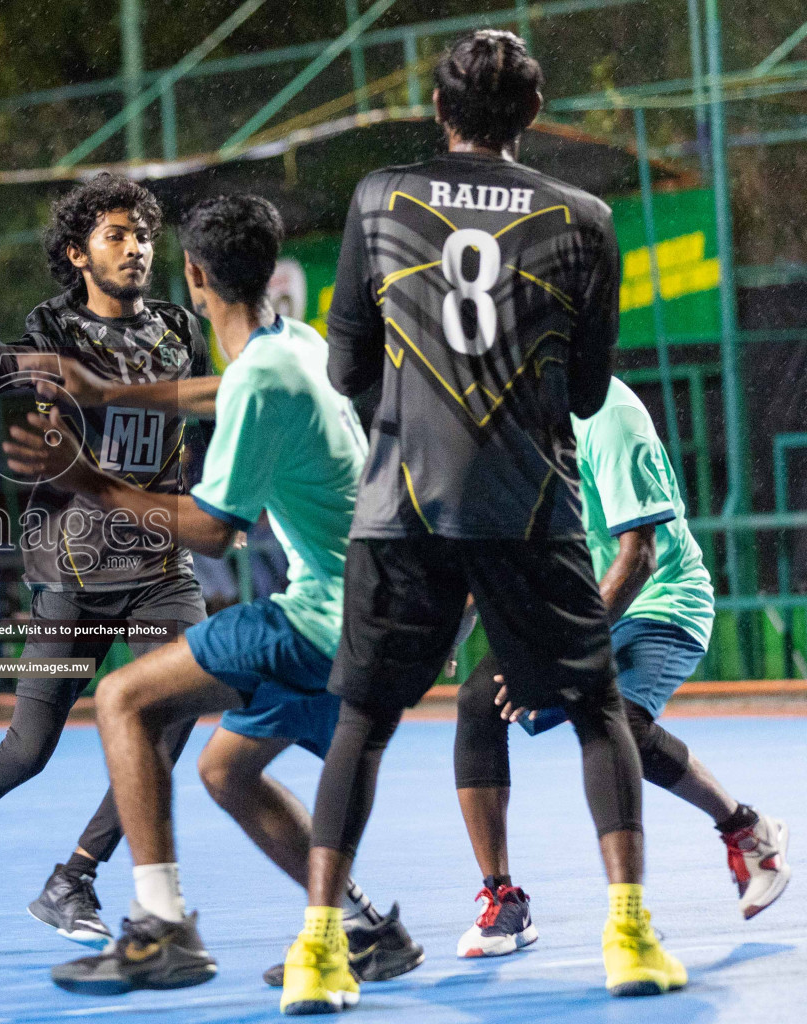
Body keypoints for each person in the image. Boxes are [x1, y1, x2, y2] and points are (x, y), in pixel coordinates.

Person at [283, 29, 686, 1014]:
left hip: (403, 506)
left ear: (437, 106)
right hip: (529, 507)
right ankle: (630, 934)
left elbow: (345, 369)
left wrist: (420, 412)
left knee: (364, 725)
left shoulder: (379, 197)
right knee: (596, 712)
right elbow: (588, 393)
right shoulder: (585, 217)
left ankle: (318, 952)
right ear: (533, 117)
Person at [3, 194, 424, 996]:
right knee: (227, 769)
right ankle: (367, 932)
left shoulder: (265, 376)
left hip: (322, 621)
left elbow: (209, 530)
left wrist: (86, 478)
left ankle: (162, 929)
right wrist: (105, 394)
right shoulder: (295, 342)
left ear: (193, 276)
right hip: (378, 616)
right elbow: (220, 391)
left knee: (124, 700)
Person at [0, 174, 213, 960]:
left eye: (142, 235)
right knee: (28, 749)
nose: (136, 248)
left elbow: (191, 419)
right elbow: (6, 373)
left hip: (160, 563)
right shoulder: (54, 327)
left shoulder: (179, 328)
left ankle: (75, 878)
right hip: (75, 567)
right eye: (117, 235)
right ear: (76, 252)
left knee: (183, 702)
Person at [452, 377, 790, 957]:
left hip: (662, 600)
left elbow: (638, 559)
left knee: (611, 721)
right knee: (477, 701)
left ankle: (742, 832)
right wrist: (450, 629)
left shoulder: (608, 416)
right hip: (573, 600)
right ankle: (502, 898)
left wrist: (556, 652)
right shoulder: (503, 430)